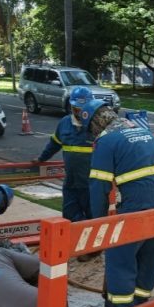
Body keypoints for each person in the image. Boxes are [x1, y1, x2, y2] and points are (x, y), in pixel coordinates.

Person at [83, 99, 154, 307]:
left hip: (138, 206)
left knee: (120, 256)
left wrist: (100, 223)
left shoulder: (106, 142)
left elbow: (99, 187)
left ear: (95, 124)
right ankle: (140, 304)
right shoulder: (143, 131)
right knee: (151, 255)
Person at [34, 86, 95, 224]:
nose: (80, 111)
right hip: (71, 183)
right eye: (77, 108)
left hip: (91, 185)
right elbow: (54, 144)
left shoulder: (97, 126)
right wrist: (41, 158)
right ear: (71, 106)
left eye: (83, 108)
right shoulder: (64, 123)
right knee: (69, 217)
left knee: (93, 219)